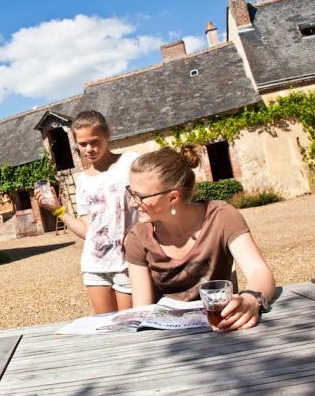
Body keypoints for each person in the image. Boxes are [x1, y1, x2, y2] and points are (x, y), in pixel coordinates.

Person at [124, 145, 276, 331]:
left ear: (173, 198)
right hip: (169, 340)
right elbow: (142, 309)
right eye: (131, 192)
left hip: (223, 328)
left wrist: (251, 300)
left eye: (139, 196)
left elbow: (259, 272)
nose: (132, 203)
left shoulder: (222, 217)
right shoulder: (137, 238)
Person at [35, 110, 140, 314]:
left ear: (107, 135)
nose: (89, 149)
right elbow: (88, 231)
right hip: (95, 266)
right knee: (104, 328)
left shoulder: (131, 162)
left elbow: (152, 204)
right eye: (82, 144)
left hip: (128, 263)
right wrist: (57, 210)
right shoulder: (82, 181)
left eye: (95, 141)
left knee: (130, 327)